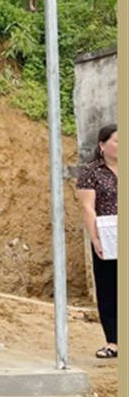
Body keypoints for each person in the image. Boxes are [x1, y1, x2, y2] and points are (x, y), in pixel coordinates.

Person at [76, 124, 118, 359]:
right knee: (109, 286)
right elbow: (87, 207)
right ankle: (114, 342)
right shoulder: (91, 172)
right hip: (108, 232)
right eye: (117, 141)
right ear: (102, 145)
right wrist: (95, 238)